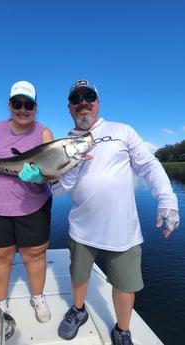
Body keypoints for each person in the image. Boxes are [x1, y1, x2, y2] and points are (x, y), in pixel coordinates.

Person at [51, 79, 180, 345]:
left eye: (89, 97)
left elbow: (149, 166)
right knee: (78, 275)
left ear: (97, 102)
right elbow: (57, 190)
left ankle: (122, 329)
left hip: (122, 229)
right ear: (69, 108)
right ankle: (78, 311)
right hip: (81, 228)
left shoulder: (121, 131)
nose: (83, 102)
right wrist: (58, 172)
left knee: (125, 284)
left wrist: (167, 199)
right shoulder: (61, 145)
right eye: (77, 99)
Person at [0, 80, 54, 325]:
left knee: (35, 254)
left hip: (33, 205)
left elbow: (53, 172)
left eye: (28, 104)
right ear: (10, 105)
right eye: (17, 103)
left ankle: (37, 297)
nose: (23, 109)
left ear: (35, 107)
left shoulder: (44, 133)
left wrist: (40, 176)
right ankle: (1, 302)